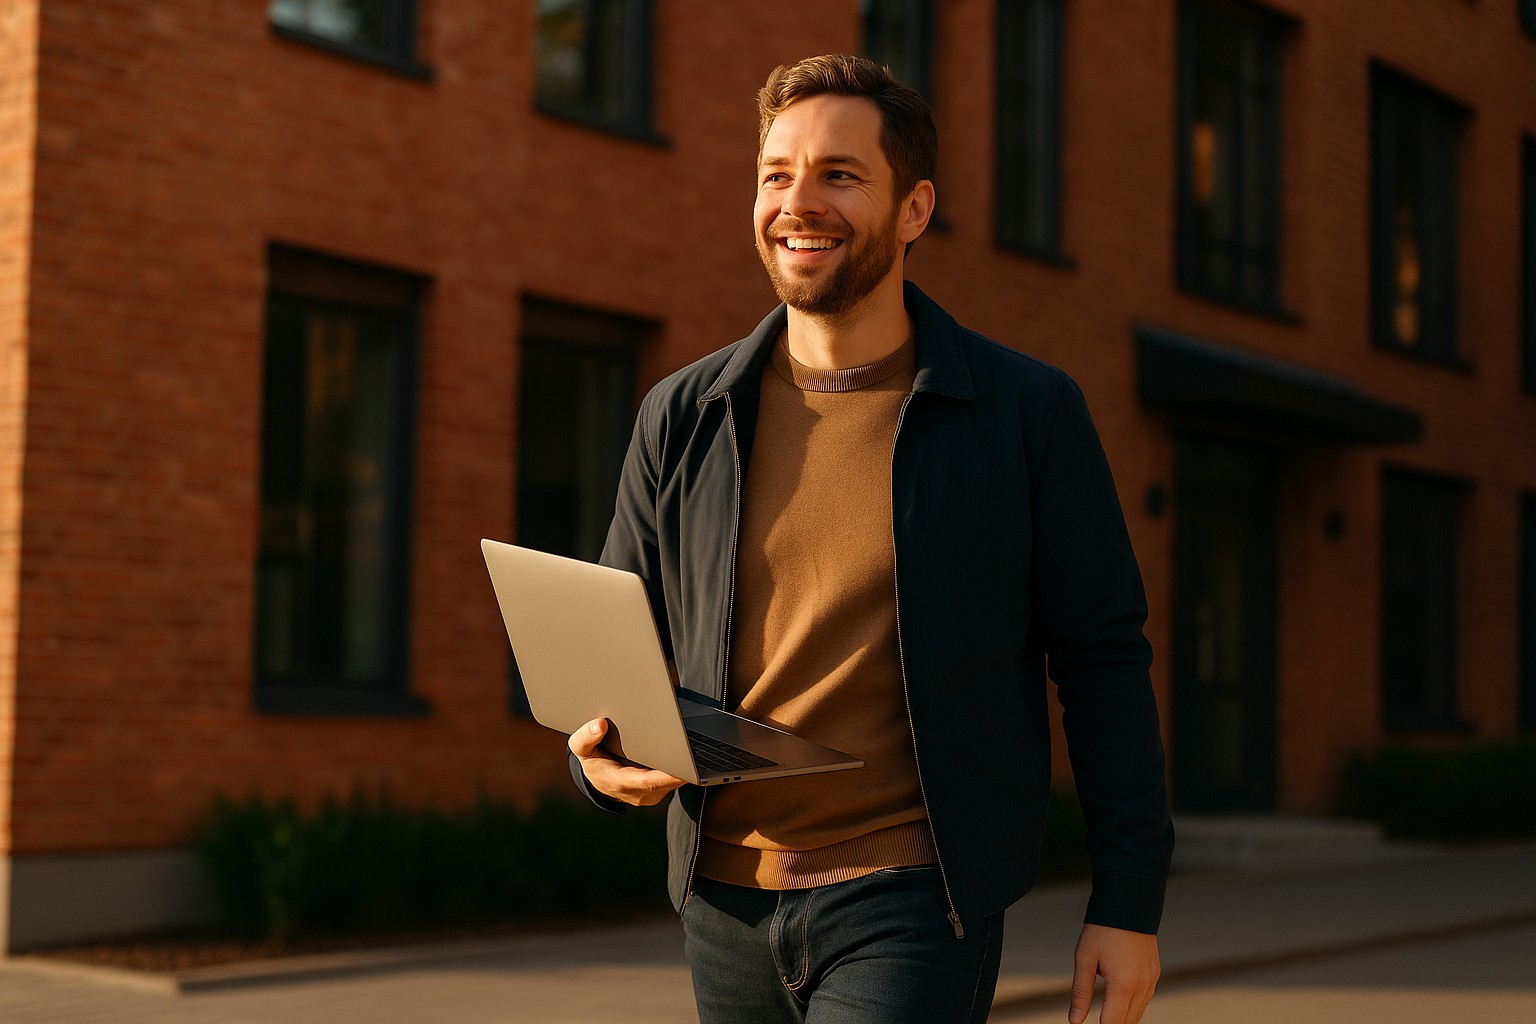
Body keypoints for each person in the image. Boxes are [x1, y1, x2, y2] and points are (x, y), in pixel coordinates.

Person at [568, 53, 1172, 1024]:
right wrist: (595, 757)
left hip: (912, 900)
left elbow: (1102, 662)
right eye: (776, 174)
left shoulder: (1026, 415)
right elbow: (611, 647)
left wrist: (1128, 903)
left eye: (839, 175)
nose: (798, 202)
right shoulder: (681, 414)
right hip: (721, 907)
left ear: (916, 209)